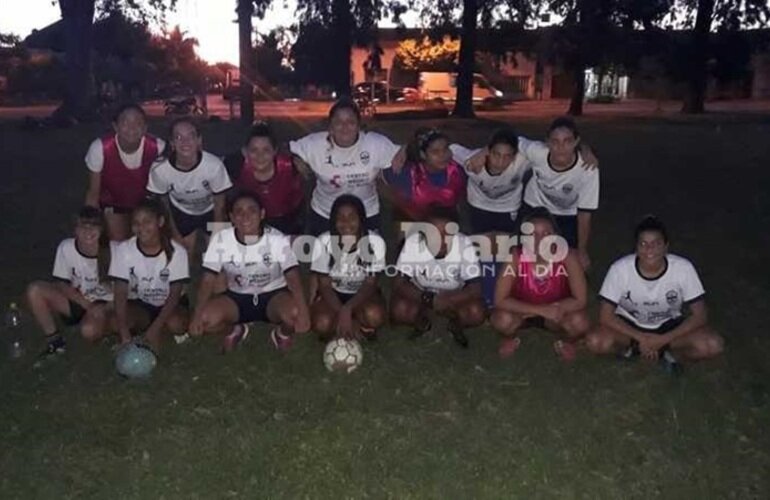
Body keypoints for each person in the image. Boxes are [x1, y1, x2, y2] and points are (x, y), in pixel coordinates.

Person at [585, 216, 723, 372]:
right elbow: (606, 316)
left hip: (668, 327)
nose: (649, 249)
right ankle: (628, 352)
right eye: (643, 244)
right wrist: (640, 338)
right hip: (629, 327)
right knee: (594, 341)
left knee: (712, 344)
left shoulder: (683, 268)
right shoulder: (620, 269)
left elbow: (700, 315)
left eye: (656, 244)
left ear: (666, 247)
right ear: (636, 248)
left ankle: (671, 355)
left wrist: (663, 339)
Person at [189, 192, 311, 353]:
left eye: (252, 210)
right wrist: (197, 314)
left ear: (262, 214)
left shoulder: (276, 239)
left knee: (295, 315)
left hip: (273, 296)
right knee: (204, 321)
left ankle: (281, 334)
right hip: (237, 298)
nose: (245, 216)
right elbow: (208, 280)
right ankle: (234, 331)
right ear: (231, 217)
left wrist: (304, 310)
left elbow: (293, 276)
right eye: (238, 211)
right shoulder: (221, 240)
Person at [289, 97, 404, 236]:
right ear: (330, 126)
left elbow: (406, 152)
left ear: (358, 125)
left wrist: (404, 151)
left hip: (366, 212)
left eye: (350, 121)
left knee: (368, 254)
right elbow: (284, 149)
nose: (344, 127)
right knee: (323, 255)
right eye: (338, 122)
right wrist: (293, 158)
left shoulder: (374, 143)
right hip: (325, 212)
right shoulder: (315, 144)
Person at [490, 208, 590, 360]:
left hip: (555, 313)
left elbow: (580, 300)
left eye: (546, 234)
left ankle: (565, 341)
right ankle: (510, 337)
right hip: (522, 312)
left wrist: (557, 309)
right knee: (501, 319)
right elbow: (500, 299)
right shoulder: (516, 257)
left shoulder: (568, 257)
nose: (539, 240)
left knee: (580, 322)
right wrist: (539, 310)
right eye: (532, 234)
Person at [27, 207, 116, 361]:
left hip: (105, 304)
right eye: (83, 226)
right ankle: (54, 341)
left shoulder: (115, 250)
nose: (88, 231)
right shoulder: (66, 247)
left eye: (93, 226)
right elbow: (62, 283)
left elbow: (124, 292)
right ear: (75, 229)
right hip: (79, 299)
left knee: (88, 332)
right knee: (35, 290)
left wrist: (103, 308)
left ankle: (107, 330)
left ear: (102, 229)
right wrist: (86, 305)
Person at [390, 206, 486, 348]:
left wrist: (447, 300)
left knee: (477, 313)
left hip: (454, 295)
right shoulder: (413, 242)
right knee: (399, 310)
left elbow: (475, 288)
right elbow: (398, 283)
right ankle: (423, 320)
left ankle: (454, 324)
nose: (441, 239)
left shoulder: (464, 244)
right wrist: (429, 300)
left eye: (447, 233)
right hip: (422, 294)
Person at [109, 199, 190, 353]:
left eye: (147, 222)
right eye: (136, 223)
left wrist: (156, 329)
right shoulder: (123, 250)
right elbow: (120, 292)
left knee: (176, 324)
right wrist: (124, 332)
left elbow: (174, 295)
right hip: (142, 303)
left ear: (160, 222)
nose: (141, 228)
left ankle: (155, 333)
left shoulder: (177, 252)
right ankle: (141, 335)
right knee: (115, 323)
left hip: (170, 305)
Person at [519, 117, 599, 271]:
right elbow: (512, 140)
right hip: (535, 206)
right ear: (547, 142)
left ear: (576, 142)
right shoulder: (537, 151)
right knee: (525, 251)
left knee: (571, 261)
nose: (560, 147)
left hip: (568, 214)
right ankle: (526, 281)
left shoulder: (588, 169)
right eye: (555, 141)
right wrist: (484, 152)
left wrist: (582, 250)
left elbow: (584, 213)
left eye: (567, 141)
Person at [147, 117, 232, 255]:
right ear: (172, 143)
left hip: (210, 211)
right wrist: (174, 233)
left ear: (199, 140)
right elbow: (164, 204)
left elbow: (220, 204)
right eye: (178, 137)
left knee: (217, 256)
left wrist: (217, 233)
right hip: (181, 212)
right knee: (181, 255)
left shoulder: (213, 165)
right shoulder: (160, 169)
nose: (185, 142)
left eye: (191, 136)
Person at [310, 195, 387, 342]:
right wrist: (342, 311)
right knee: (321, 324)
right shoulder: (323, 241)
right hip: (333, 293)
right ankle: (344, 326)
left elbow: (371, 283)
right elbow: (324, 285)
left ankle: (360, 325)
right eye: (340, 217)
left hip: (362, 293)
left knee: (374, 316)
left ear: (361, 219)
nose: (346, 222)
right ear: (333, 220)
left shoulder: (375, 242)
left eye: (352, 217)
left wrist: (348, 308)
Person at [84, 103, 164, 241]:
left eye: (138, 123)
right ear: (115, 126)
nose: (132, 128)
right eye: (125, 122)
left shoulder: (158, 148)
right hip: (112, 203)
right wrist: (88, 224)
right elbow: (93, 192)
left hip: (144, 203)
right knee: (118, 246)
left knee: (147, 242)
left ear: (145, 128)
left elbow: (165, 188)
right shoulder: (100, 148)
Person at [223, 122, 305, 236]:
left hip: (286, 221)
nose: (260, 156)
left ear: (275, 151)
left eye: (266, 150)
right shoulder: (235, 165)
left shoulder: (291, 166)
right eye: (254, 150)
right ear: (245, 152)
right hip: (250, 221)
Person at [381, 127, 467, 224]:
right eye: (435, 152)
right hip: (414, 225)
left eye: (445, 148)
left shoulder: (458, 171)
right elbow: (380, 180)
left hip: (448, 226)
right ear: (423, 154)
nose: (443, 155)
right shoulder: (407, 174)